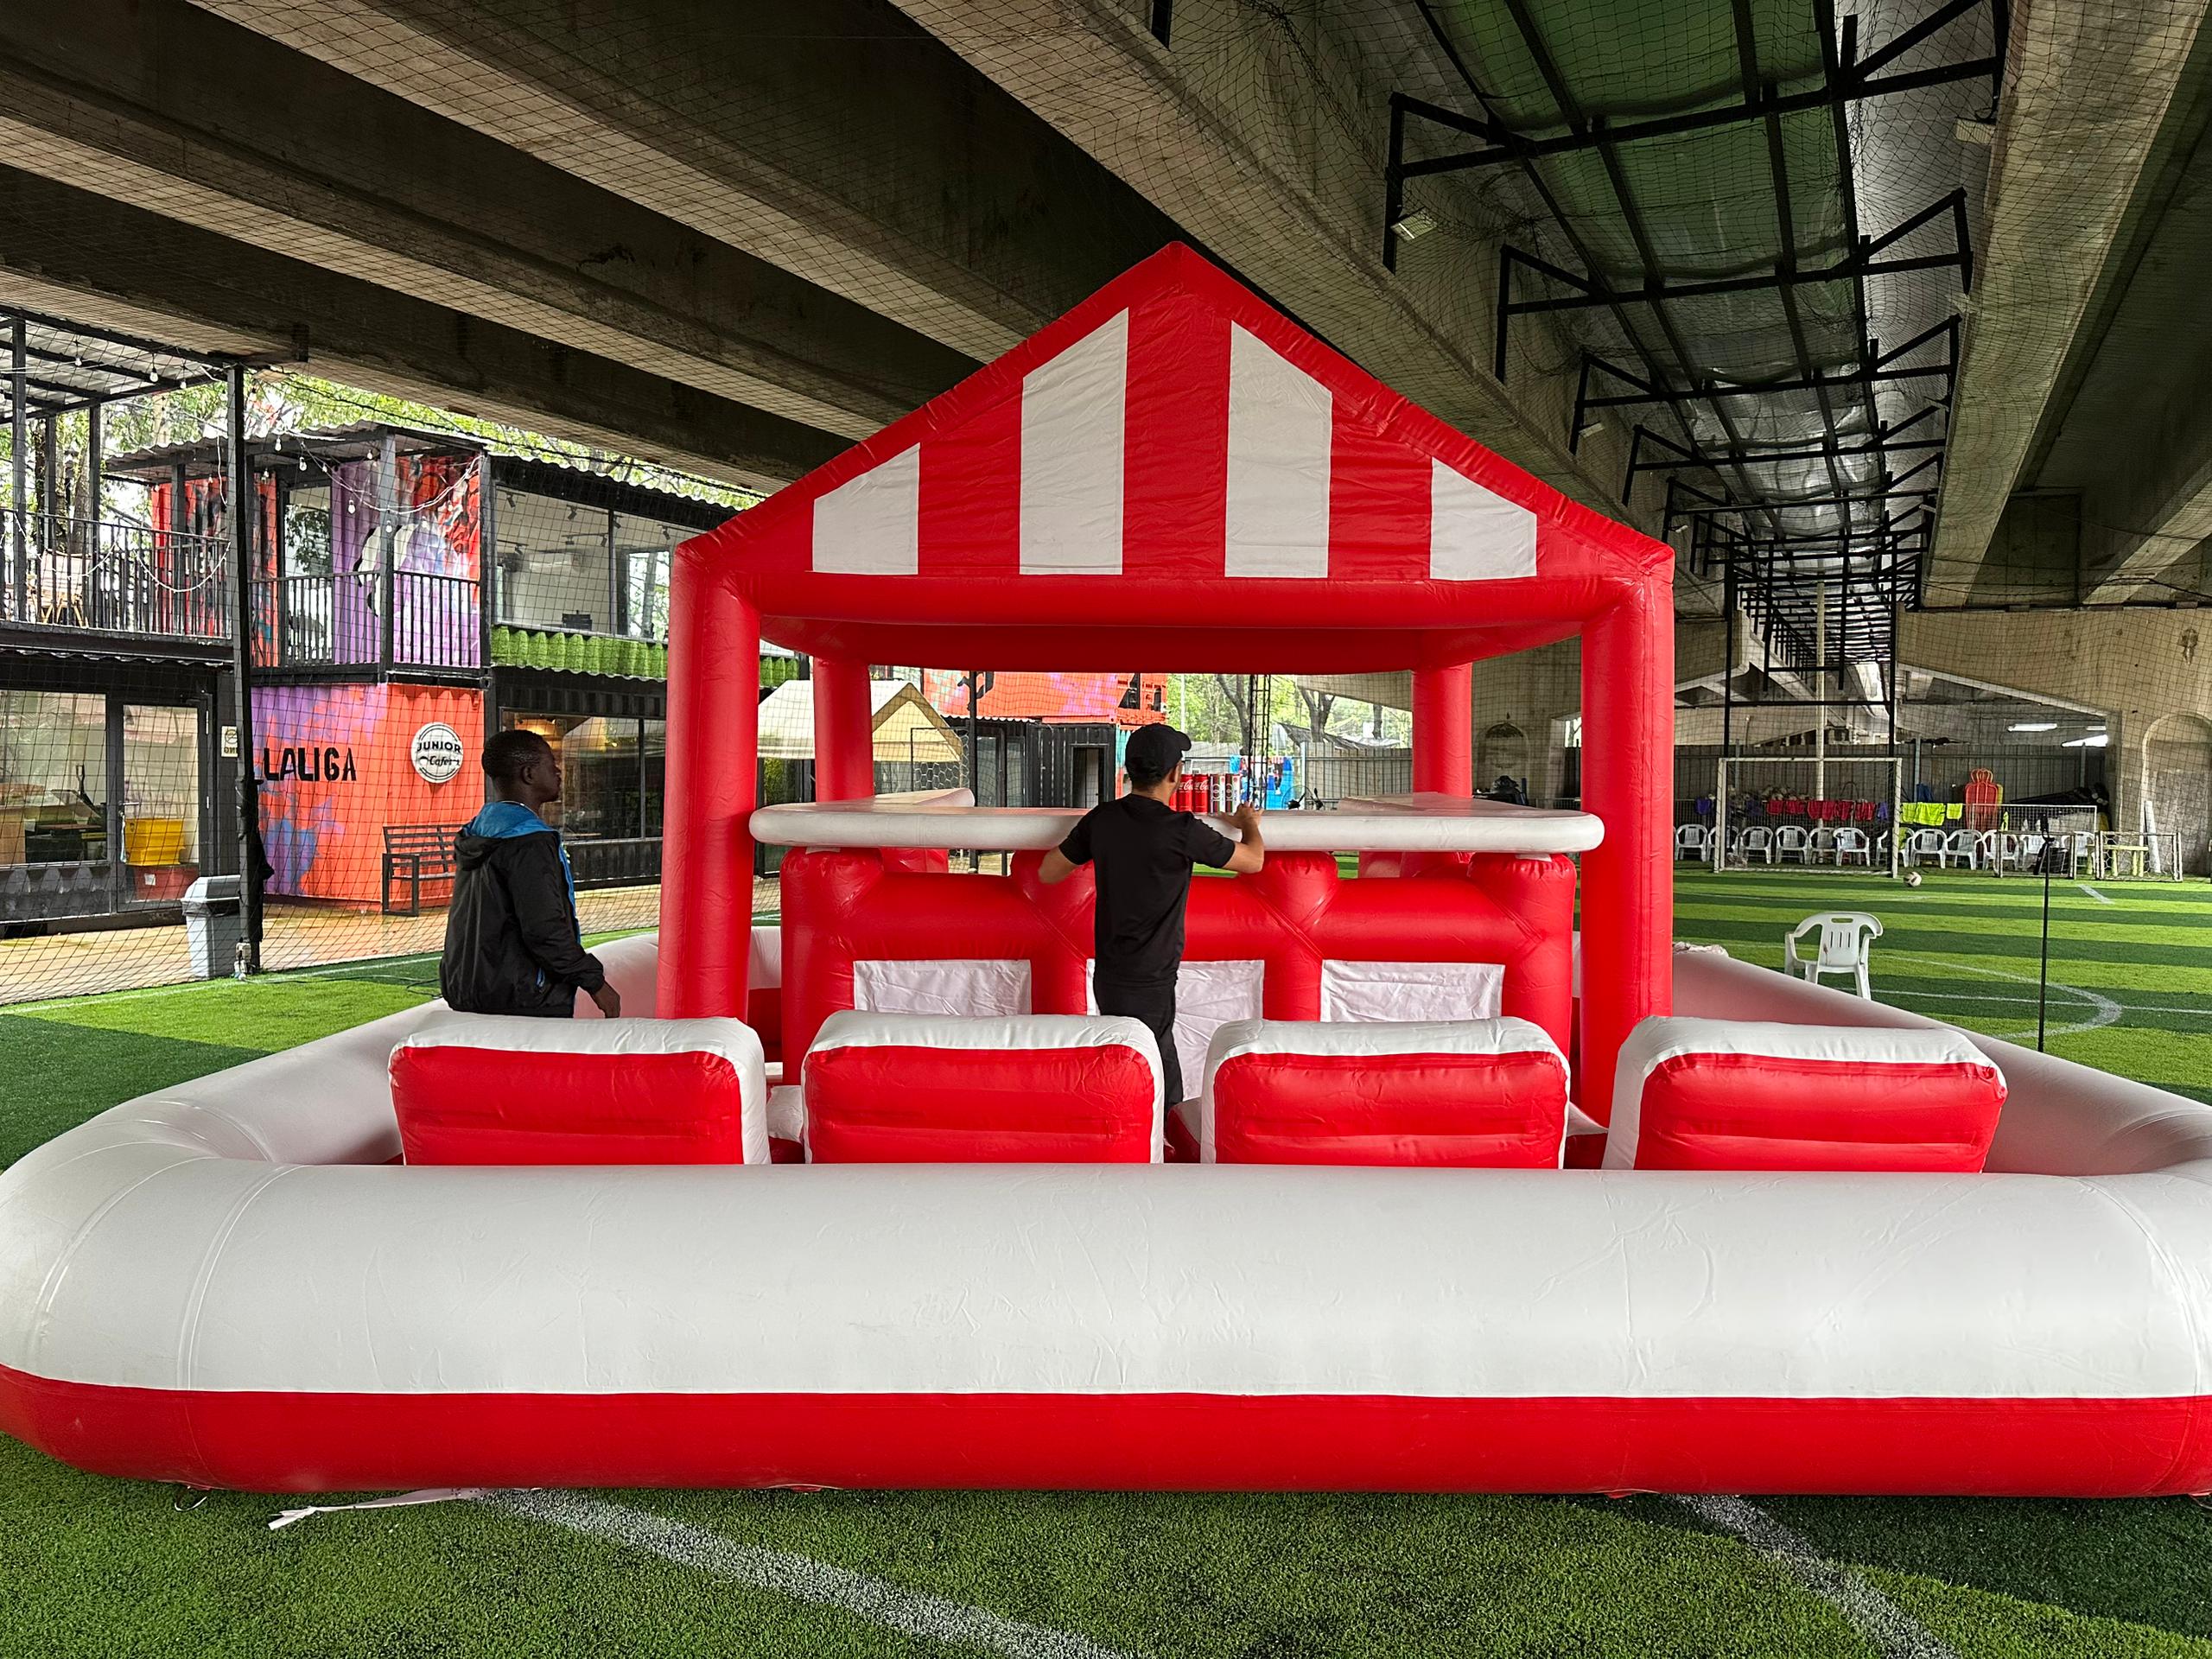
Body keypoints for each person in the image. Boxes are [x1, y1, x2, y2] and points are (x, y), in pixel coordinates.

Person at [1039, 724, 1262, 1104]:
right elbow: (1254, 861)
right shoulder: (1182, 829)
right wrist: (1249, 824)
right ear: (1176, 773)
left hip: (1109, 973)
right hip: (1152, 977)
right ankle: (1164, 1136)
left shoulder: (1103, 819)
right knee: (1157, 1067)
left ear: (1129, 770)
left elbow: (1048, 872)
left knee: (1128, 1055)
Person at [441, 728, 620, 1019]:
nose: (558, 771)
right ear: (528, 774)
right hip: (524, 998)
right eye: (551, 764)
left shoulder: (478, 831)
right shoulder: (529, 841)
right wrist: (595, 982)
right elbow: (544, 929)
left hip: (468, 990)